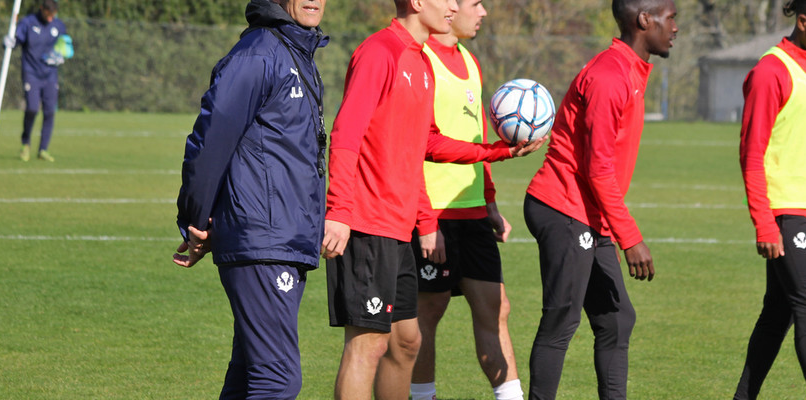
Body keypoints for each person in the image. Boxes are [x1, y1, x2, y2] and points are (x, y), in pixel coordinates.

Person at [319, 0, 546, 398]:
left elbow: (426, 144)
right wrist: (338, 210)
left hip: (400, 225)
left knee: (407, 342)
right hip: (367, 222)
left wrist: (499, 152)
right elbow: (346, 134)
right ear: (419, 1)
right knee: (368, 345)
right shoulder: (378, 51)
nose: (456, 6)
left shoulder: (420, 62)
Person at [171, 0, 328, 398]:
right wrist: (195, 221)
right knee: (278, 379)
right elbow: (210, 141)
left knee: (248, 375)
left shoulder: (297, 51)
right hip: (263, 239)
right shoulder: (258, 53)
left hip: (284, 238)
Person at [521, 0, 677, 398]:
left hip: (588, 212)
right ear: (645, 20)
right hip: (564, 206)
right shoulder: (611, 75)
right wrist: (631, 238)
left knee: (616, 319)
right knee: (561, 321)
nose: (675, 27)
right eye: (670, 17)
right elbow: (597, 169)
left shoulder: (632, 70)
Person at [408, 1, 523, 400]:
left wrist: (489, 203)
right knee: (429, 311)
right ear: (450, 8)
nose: (483, 12)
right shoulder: (420, 61)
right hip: (434, 215)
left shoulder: (471, 62)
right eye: (475, 3)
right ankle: (423, 396)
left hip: (473, 212)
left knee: (496, 307)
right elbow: (414, 149)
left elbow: (476, 143)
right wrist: (426, 223)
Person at [733, 0, 806, 399]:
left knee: (778, 314)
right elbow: (751, 153)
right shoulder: (772, 71)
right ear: (802, 23)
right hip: (785, 215)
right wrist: (764, 223)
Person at [4, 0, 66, 162]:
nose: (51, 18)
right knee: (32, 108)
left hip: (50, 74)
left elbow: (64, 46)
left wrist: (62, 55)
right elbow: (17, 40)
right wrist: (10, 42)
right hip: (31, 72)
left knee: (50, 111)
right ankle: (25, 144)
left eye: (53, 15)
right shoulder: (28, 23)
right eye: (48, 14)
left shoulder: (58, 25)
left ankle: (43, 150)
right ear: (42, 9)